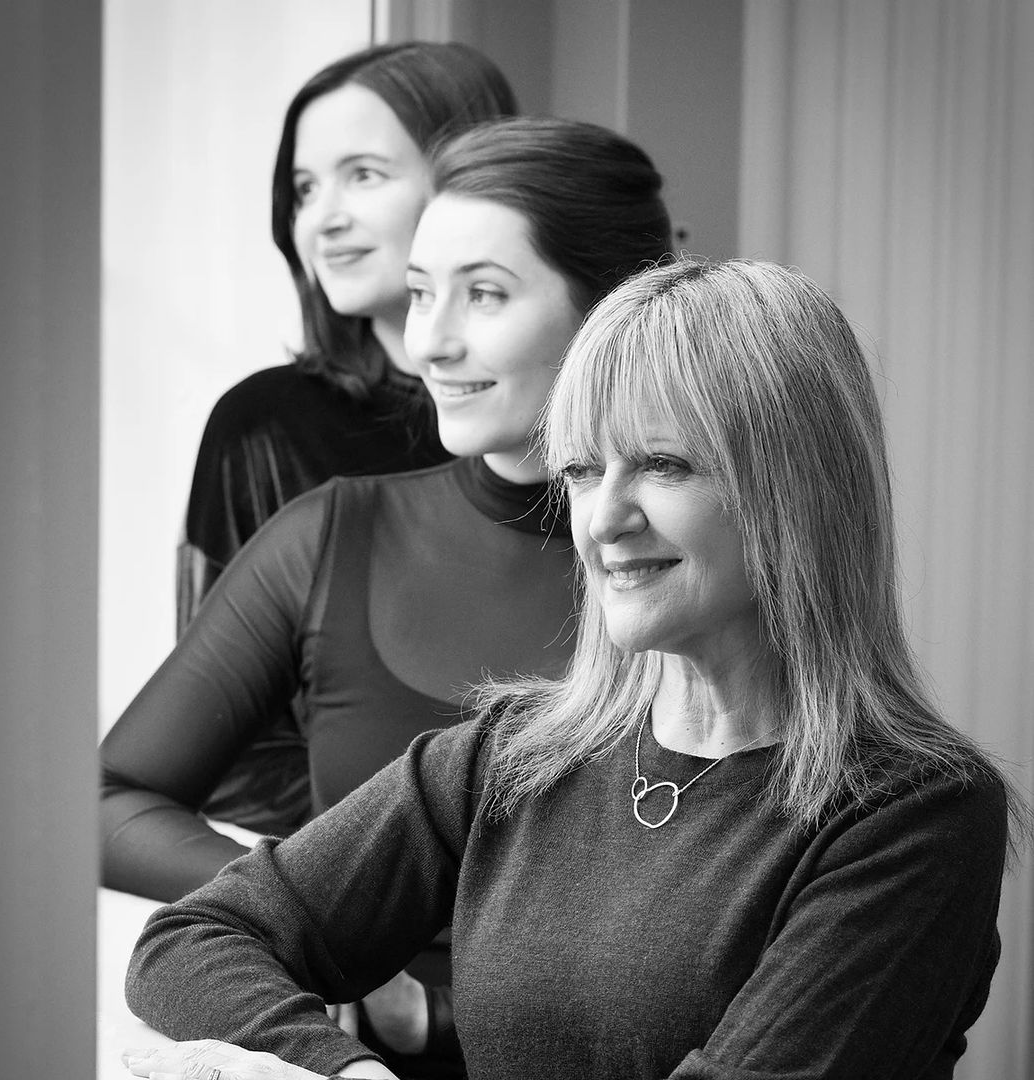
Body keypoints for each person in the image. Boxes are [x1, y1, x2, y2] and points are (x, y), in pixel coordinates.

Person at [121, 258, 1028, 1080]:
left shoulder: (914, 815)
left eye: (663, 465)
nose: (602, 520)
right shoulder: (511, 756)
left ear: (797, 494)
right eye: (586, 470)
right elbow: (194, 939)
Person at [102, 116, 672, 1075]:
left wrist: (440, 1018)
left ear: (613, 309)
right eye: (419, 293)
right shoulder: (334, 535)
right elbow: (105, 799)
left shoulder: (695, 567)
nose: (429, 343)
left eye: (484, 294)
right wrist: (319, 911)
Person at [177, 42, 518, 834]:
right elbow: (231, 758)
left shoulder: (599, 425)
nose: (322, 219)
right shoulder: (262, 426)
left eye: (363, 174)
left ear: (472, 181)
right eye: (304, 189)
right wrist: (393, 860)